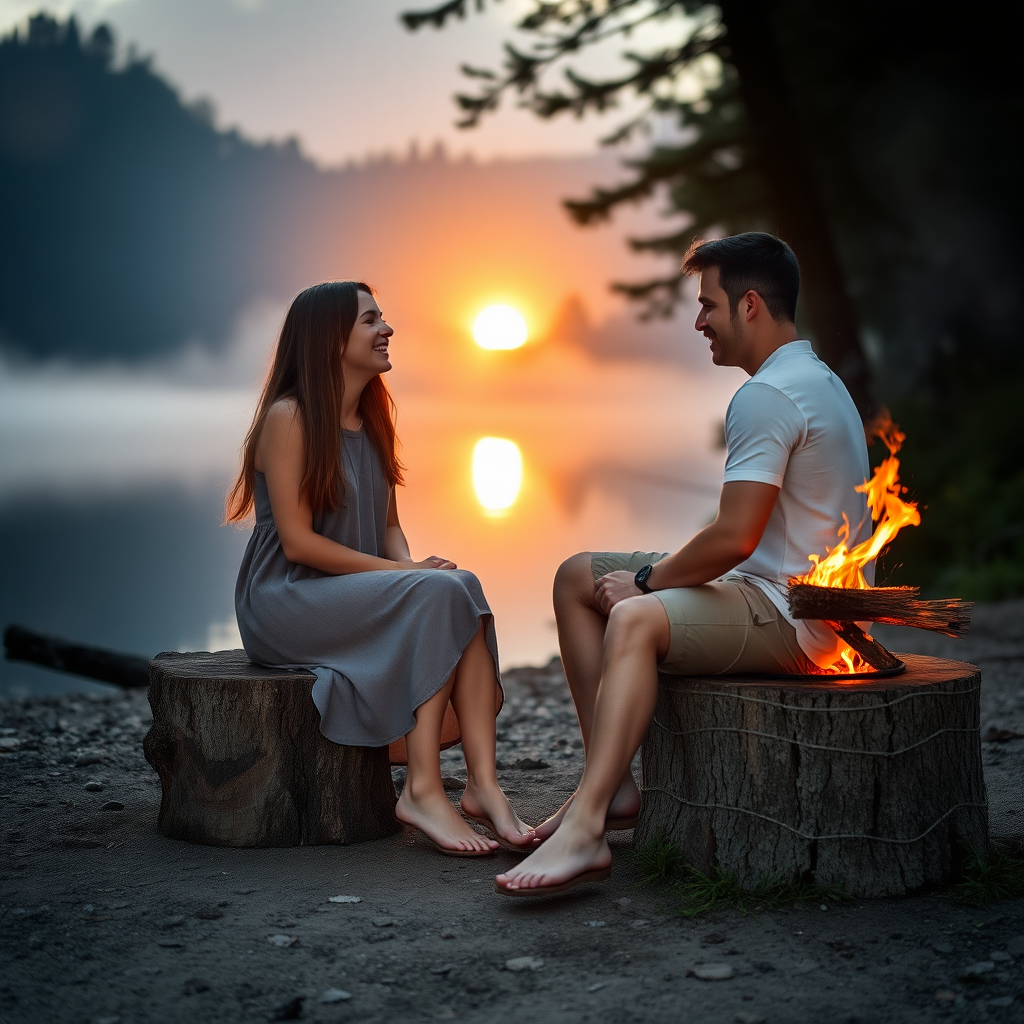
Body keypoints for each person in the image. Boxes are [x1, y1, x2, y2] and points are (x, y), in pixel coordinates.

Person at [495, 232, 873, 895]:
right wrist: (650, 576)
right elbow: (740, 539)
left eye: (708, 306)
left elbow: (731, 537)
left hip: (800, 619)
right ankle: (609, 790)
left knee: (635, 618)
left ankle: (585, 830)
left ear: (750, 305)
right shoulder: (813, 377)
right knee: (576, 576)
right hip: (761, 586)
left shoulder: (768, 395)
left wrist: (646, 581)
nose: (698, 322)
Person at [227, 281, 534, 855]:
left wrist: (411, 568)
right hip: (286, 597)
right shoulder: (288, 419)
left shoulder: (371, 422)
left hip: (350, 590)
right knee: (442, 591)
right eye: (370, 320)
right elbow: (298, 545)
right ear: (328, 340)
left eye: (382, 318)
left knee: (457, 587)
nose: (386, 330)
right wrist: (406, 577)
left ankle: (483, 787)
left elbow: (390, 527)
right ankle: (422, 789)